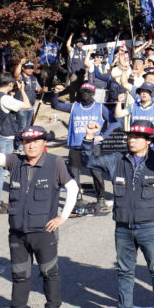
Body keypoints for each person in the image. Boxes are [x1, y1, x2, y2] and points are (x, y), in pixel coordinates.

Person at [0, 124, 77, 308]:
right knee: (19, 274)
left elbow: (72, 187)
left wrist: (62, 217)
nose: (30, 145)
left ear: (44, 142)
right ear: (21, 143)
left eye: (35, 141)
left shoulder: (55, 162)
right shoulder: (15, 161)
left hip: (43, 232)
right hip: (17, 232)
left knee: (49, 272)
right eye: (26, 141)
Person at [79, 119, 154, 308]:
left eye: (138, 137)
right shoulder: (116, 160)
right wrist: (88, 139)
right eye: (130, 136)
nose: (132, 140)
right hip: (123, 226)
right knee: (124, 270)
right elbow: (89, 161)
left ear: (149, 140)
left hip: (150, 226)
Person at [51, 81, 116, 213]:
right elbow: (56, 104)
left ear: (93, 94)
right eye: (83, 92)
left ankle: (101, 198)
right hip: (76, 145)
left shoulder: (99, 107)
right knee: (74, 175)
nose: (86, 95)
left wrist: (103, 136)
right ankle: (74, 200)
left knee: (96, 173)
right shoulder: (74, 106)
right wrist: (56, 93)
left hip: (93, 146)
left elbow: (114, 122)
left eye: (88, 92)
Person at [0, 71, 31, 213]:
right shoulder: (5, 99)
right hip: (4, 137)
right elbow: (27, 105)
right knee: (1, 171)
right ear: (10, 84)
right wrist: (22, 90)